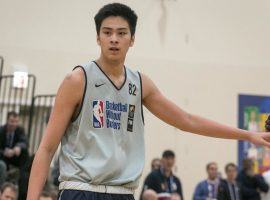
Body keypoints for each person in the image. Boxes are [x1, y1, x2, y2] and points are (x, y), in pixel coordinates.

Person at [27, 3, 270, 200]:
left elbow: (187, 121)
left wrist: (247, 135)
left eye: (121, 33)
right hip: (81, 190)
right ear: (98, 37)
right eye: (107, 32)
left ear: (132, 39)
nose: (114, 39)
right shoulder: (78, 80)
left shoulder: (140, 84)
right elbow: (47, 148)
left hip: (123, 193)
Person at [0, 111, 29, 200]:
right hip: (3, 157)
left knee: (25, 155)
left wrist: (18, 147)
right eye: (12, 121)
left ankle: (22, 195)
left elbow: (25, 142)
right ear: (7, 121)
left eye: (16, 121)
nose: (14, 124)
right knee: (2, 166)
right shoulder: (1, 130)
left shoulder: (20, 130)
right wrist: (4, 152)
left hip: (16, 158)